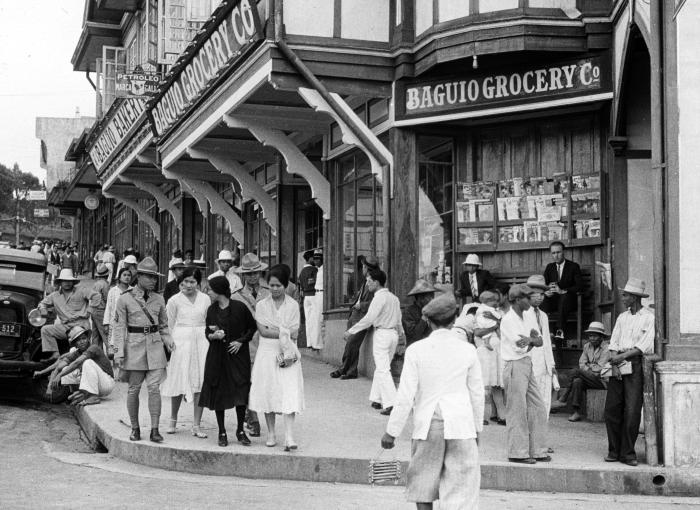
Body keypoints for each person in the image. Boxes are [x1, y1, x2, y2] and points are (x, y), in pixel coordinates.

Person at [381, 293, 484, 510]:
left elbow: (405, 395)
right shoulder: (468, 350)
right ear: (455, 319)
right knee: (461, 488)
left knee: (423, 483)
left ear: (427, 320)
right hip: (461, 424)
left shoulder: (416, 350)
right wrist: (476, 429)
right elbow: (476, 394)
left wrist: (392, 431)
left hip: (429, 424)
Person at [112, 257, 175, 443]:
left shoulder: (159, 299)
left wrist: (168, 339)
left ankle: (155, 429)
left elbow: (163, 326)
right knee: (134, 389)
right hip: (134, 347)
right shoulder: (124, 299)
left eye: (154, 277)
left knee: (154, 389)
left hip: (155, 347)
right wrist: (118, 352)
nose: (153, 280)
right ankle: (135, 428)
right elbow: (118, 327)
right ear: (138, 276)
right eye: (148, 276)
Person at [249, 265, 305, 451]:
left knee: (289, 391)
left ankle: (289, 436)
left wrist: (282, 332)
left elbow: (296, 332)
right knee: (269, 391)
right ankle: (271, 432)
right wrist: (284, 331)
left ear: (286, 284)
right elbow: (263, 331)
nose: (274, 289)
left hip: (288, 352)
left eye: (278, 285)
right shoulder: (262, 305)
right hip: (267, 353)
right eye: (271, 285)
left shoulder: (293, 305)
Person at [603, 278, 654, 466]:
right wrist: (615, 363)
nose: (623, 298)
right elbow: (614, 342)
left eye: (625, 295)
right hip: (618, 362)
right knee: (612, 409)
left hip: (635, 364)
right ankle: (614, 450)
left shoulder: (648, 317)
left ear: (634, 297)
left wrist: (621, 358)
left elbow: (643, 346)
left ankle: (628, 453)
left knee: (632, 410)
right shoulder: (622, 317)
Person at [201, 276, 257, 447]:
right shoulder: (211, 310)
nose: (208, 292)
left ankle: (240, 430)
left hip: (238, 356)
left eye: (210, 289)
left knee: (241, 390)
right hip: (217, 355)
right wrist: (213, 336)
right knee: (219, 391)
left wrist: (241, 341)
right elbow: (207, 332)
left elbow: (252, 327)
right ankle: (222, 431)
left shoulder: (239, 307)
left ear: (219, 290)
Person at [500, 284, 549, 464]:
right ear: (518, 300)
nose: (530, 300)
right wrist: (531, 341)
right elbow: (520, 345)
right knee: (517, 409)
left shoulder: (527, 317)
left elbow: (539, 340)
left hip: (527, 364)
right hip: (514, 365)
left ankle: (538, 450)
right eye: (527, 298)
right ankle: (517, 452)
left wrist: (531, 340)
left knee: (538, 406)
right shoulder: (507, 320)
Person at [343, 268, 404, 415]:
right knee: (383, 366)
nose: (367, 284)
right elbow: (399, 320)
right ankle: (377, 398)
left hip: (382, 334)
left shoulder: (378, 298)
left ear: (376, 282)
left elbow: (369, 319)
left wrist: (351, 331)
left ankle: (391, 403)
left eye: (369, 281)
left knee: (383, 368)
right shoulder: (394, 298)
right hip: (393, 335)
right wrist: (401, 336)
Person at [160, 267, 211, 438]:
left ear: (198, 282)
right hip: (181, 341)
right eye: (185, 282)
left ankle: (196, 424)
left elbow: (208, 320)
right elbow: (169, 323)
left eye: (192, 282)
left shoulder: (205, 299)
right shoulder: (174, 300)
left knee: (199, 381)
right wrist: (169, 342)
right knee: (179, 379)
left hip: (201, 341)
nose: (188, 285)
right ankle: (173, 419)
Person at [232, 252, 271, 438]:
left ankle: (265, 415)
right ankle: (252, 418)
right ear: (243, 275)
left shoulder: (270, 293)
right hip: (246, 345)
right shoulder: (237, 297)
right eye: (248, 273)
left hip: (268, 344)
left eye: (255, 272)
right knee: (247, 383)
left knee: (265, 383)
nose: (252, 276)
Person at [34, 326, 115, 406]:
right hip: (98, 386)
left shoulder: (94, 348)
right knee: (65, 369)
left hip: (107, 383)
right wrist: (49, 384)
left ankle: (93, 397)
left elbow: (77, 362)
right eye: (78, 340)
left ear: (87, 339)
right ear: (75, 344)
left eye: (84, 338)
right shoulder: (76, 353)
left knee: (87, 362)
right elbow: (59, 366)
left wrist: (59, 376)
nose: (82, 342)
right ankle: (84, 393)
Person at [330, 255, 381, 379]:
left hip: (363, 317)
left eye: (363, 266)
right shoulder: (366, 281)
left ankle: (344, 369)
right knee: (350, 344)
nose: (362, 269)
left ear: (367, 268)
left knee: (352, 343)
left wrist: (361, 305)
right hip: (355, 315)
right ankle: (350, 370)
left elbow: (378, 302)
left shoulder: (374, 282)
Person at [552, 321, 611, 422]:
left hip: (602, 381)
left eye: (595, 336)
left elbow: (600, 369)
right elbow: (582, 363)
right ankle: (576, 412)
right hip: (589, 378)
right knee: (577, 381)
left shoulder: (607, 348)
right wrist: (591, 368)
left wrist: (589, 367)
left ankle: (564, 398)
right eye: (590, 336)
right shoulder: (587, 346)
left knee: (576, 372)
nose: (592, 338)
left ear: (601, 337)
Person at [38, 269, 100, 360]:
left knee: (78, 344)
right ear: (60, 282)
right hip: (66, 326)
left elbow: (96, 296)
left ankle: (79, 359)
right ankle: (55, 354)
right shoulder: (54, 295)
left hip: (80, 325)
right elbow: (42, 303)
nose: (67, 283)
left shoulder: (81, 290)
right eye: (64, 281)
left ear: (73, 282)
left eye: (69, 281)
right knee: (45, 329)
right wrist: (43, 309)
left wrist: (90, 310)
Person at [526, 275, 558, 416]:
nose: (539, 297)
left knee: (544, 403)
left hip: (544, 364)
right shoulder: (523, 314)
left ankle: (540, 433)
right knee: (530, 403)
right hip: (530, 363)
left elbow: (546, 341)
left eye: (542, 294)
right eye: (535, 294)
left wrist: (551, 364)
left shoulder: (543, 315)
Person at [474, 290, 506, 426]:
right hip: (486, 349)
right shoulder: (481, 311)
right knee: (483, 384)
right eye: (494, 301)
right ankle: (478, 416)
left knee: (496, 384)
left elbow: (504, 326)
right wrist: (495, 324)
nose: (496, 303)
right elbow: (478, 332)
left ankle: (500, 414)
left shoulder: (498, 312)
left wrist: (497, 322)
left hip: (497, 349)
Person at [542, 241, 583, 339]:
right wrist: (547, 291)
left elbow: (580, 286)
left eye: (558, 252)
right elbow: (543, 285)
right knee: (541, 299)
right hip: (554, 301)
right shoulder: (550, 267)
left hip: (570, 301)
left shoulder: (573, 266)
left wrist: (563, 291)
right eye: (553, 253)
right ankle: (541, 330)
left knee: (564, 298)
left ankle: (559, 330)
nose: (556, 256)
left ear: (564, 252)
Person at [103, 268, 132, 357]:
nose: (127, 277)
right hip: (115, 322)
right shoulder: (113, 291)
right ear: (119, 277)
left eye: (129, 275)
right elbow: (108, 307)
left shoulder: (133, 291)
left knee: (127, 348)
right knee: (114, 350)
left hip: (129, 323)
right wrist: (106, 323)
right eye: (124, 275)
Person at [402, 279, 436, 347]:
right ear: (421, 297)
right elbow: (414, 335)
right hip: (415, 349)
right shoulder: (408, 312)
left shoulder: (432, 310)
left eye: (432, 296)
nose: (432, 299)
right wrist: (424, 318)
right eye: (429, 296)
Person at [298, 249, 319, 348]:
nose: (315, 261)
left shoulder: (301, 272)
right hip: (314, 295)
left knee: (308, 321)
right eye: (314, 258)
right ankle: (315, 343)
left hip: (306, 297)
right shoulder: (314, 270)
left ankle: (309, 343)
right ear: (310, 258)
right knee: (315, 321)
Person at [305, 249, 324, 350]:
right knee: (313, 319)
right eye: (315, 259)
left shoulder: (324, 269)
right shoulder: (318, 269)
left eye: (318, 259)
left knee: (318, 319)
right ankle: (313, 343)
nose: (315, 261)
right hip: (316, 293)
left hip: (321, 293)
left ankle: (317, 344)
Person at [90, 263, 111, 351]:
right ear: (107, 275)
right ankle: (111, 352)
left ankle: (95, 354)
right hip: (101, 310)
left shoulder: (96, 284)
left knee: (95, 335)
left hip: (93, 309)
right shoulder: (105, 285)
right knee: (105, 334)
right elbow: (107, 299)